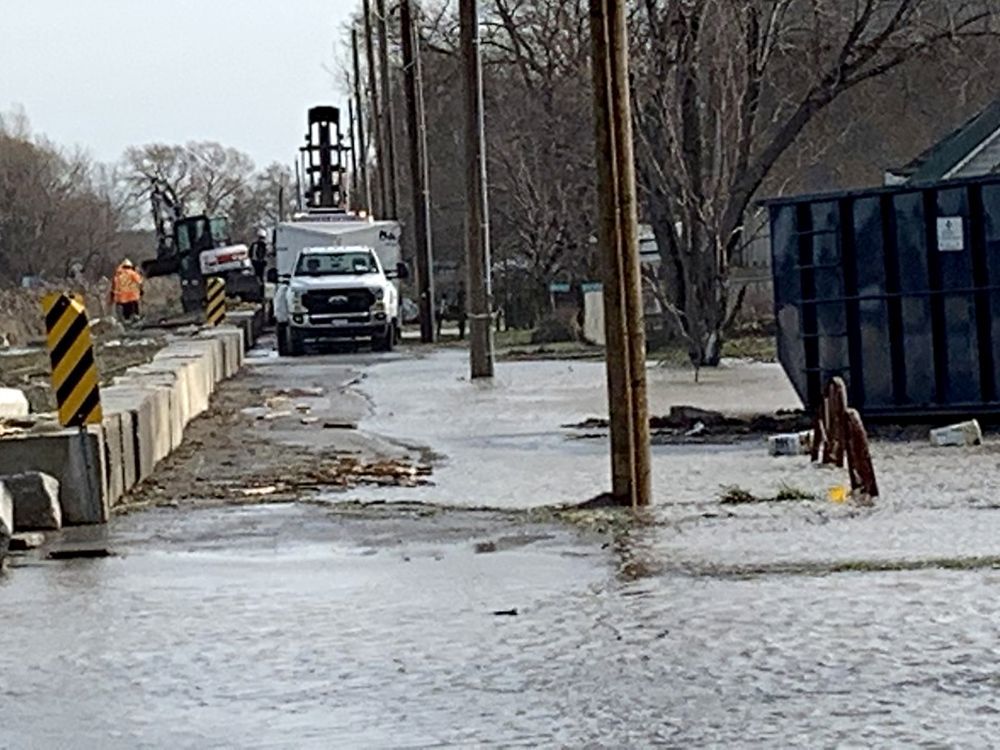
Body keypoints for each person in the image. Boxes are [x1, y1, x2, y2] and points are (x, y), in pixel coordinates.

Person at [109, 259, 143, 325]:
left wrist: (113, 296)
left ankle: (126, 321)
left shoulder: (118, 275)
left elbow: (114, 286)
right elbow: (139, 281)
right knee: (134, 308)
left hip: (121, 296)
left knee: (126, 309)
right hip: (132, 295)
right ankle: (136, 319)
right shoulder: (132, 273)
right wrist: (141, 290)